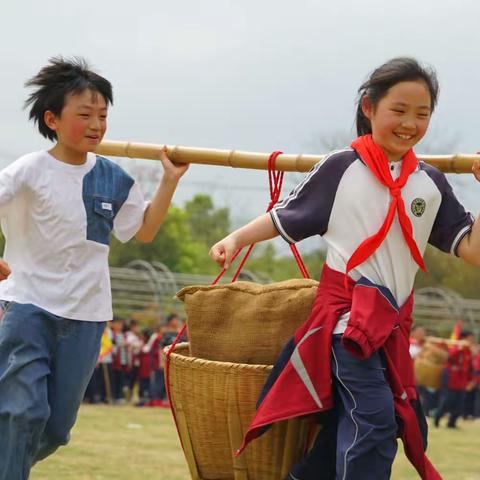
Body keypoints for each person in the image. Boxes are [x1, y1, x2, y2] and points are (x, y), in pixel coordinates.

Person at [210, 57, 480, 479]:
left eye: (422, 114)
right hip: (345, 326)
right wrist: (235, 239)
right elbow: (287, 215)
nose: (410, 123)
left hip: (392, 329)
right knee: (373, 422)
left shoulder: (430, 182)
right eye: (399, 111)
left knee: (352, 426)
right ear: (369, 108)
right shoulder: (342, 167)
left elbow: (471, 250)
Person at [0, 56, 188, 479]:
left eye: (102, 115)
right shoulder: (29, 171)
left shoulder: (115, 178)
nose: (96, 125)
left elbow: (141, 231)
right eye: (84, 114)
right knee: (21, 412)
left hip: (87, 315)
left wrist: (170, 181)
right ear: (52, 118)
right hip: (27, 307)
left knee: (55, 429)